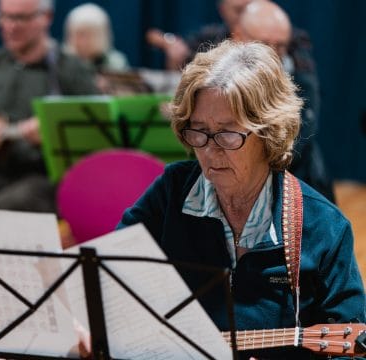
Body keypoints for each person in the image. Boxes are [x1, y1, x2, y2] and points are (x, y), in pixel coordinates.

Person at [117, 40, 365, 359]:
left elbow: (353, 346)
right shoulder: (173, 190)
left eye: (228, 133)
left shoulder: (323, 227)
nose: (209, 150)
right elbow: (111, 273)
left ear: (268, 132)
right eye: (199, 131)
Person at [0, 0, 98, 213]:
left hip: (43, 177)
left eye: (21, 18)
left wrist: (51, 132)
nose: (10, 26)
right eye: (4, 17)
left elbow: (96, 135)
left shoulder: (72, 70)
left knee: (16, 202)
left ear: (46, 17)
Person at [234, 0, 335, 202]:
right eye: (263, 44)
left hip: (297, 186)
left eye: (279, 46)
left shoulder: (301, 83)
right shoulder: (222, 81)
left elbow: (295, 147)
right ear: (238, 37)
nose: (271, 54)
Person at [146, 0, 253, 70]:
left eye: (250, 9)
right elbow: (154, 35)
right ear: (223, 10)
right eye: (238, 10)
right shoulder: (211, 36)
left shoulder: (264, 35)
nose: (246, 15)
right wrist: (170, 43)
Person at [62, 3, 129, 73]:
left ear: (101, 36)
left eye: (88, 35)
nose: (82, 42)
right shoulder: (60, 62)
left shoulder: (116, 64)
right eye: (78, 35)